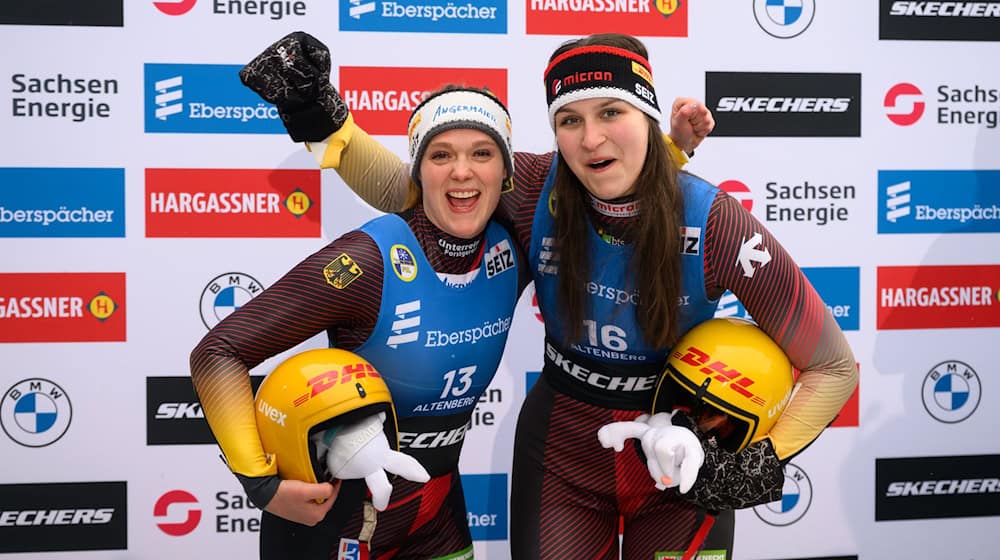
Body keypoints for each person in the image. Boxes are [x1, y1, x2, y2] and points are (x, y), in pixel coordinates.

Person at [240, 31, 858, 559]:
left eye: (611, 112)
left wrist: (743, 471)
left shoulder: (716, 222)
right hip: (563, 451)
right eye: (570, 120)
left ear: (644, 116)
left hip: (681, 457)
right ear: (555, 133)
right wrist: (324, 117)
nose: (591, 140)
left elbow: (832, 365)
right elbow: (415, 189)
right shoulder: (537, 188)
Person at [190, 81, 532, 559]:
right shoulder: (369, 260)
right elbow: (218, 353)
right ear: (417, 171)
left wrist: (670, 146)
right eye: (439, 156)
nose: (462, 172)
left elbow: (610, 187)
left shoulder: (513, 245)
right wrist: (260, 483)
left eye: (481, 153)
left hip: (438, 517)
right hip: (330, 521)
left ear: (506, 170)